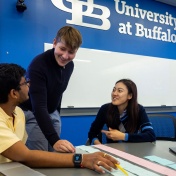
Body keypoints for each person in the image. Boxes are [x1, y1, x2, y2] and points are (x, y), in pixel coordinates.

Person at [0, 63, 119, 174]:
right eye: (25, 83)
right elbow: (25, 155)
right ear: (14, 93)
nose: (29, 85)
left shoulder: (18, 113)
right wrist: (82, 159)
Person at [20, 26, 82, 152]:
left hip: (52, 112)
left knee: (55, 153)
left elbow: (59, 91)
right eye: (62, 49)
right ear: (54, 43)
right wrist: (54, 140)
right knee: (40, 157)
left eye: (71, 52)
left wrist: (56, 114)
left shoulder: (70, 65)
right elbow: (39, 107)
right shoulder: (38, 65)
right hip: (34, 112)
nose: (65, 56)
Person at [88, 79, 156, 145]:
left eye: (119, 91)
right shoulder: (105, 109)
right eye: (114, 90)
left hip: (132, 151)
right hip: (112, 151)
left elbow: (150, 135)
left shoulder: (138, 110)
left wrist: (123, 136)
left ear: (130, 96)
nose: (114, 93)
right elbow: (92, 133)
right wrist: (98, 145)